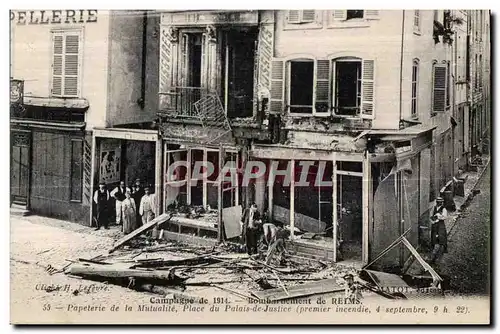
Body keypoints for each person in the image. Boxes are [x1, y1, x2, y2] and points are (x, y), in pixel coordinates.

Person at [429, 197, 448, 267]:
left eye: (440, 202)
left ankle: (439, 253)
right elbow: (431, 216)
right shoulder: (433, 208)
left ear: (442, 202)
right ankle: (433, 254)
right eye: (437, 202)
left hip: (440, 225)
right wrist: (433, 220)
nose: (439, 203)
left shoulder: (443, 209)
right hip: (434, 225)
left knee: (441, 237)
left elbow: (445, 217)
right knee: (434, 237)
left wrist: (438, 217)